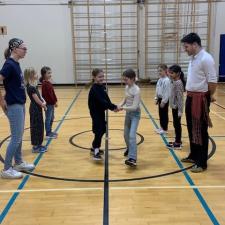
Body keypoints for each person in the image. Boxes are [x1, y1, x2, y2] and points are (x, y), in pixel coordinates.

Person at [180, 32, 217, 173]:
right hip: (190, 97)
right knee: (191, 128)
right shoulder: (194, 58)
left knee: (200, 130)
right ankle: (194, 155)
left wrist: (208, 97)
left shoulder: (206, 59)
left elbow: (212, 82)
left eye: (186, 46)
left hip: (200, 100)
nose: (185, 49)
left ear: (195, 44)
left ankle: (202, 162)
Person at [0, 38, 35, 179]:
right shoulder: (9, 64)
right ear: (14, 49)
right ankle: (6, 169)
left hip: (19, 103)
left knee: (19, 136)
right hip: (13, 105)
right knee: (15, 138)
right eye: (23, 48)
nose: (25, 50)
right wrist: (1, 100)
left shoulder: (16, 64)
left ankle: (19, 162)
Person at [88, 68, 117, 161]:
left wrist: (114, 106)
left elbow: (106, 99)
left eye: (103, 76)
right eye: (99, 77)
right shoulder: (94, 89)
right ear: (94, 77)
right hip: (95, 113)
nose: (102, 78)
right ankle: (96, 151)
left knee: (102, 129)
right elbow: (102, 101)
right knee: (99, 131)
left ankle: (94, 147)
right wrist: (113, 107)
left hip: (101, 112)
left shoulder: (102, 87)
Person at [118, 68, 141, 167]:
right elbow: (126, 98)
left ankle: (132, 158)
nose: (124, 82)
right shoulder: (127, 87)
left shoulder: (137, 90)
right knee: (125, 135)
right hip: (128, 114)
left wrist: (122, 108)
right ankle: (129, 148)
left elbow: (135, 107)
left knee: (132, 135)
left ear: (132, 79)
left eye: (126, 79)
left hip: (135, 115)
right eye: (124, 79)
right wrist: (119, 104)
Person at [24, 68, 47, 153]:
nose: (37, 75)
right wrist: (43, 105)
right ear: (30, 76)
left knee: (40, 126)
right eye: (35, 73)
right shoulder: (30, 88)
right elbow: (36, 100)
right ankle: (35, 146)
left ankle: (39, 144)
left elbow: (40, 97)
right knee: (36, 127)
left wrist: (43, 101)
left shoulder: (34, 86)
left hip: (38, 108)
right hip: (34, 109)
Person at [167, 65, 185, 150]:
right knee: (175, 124)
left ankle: (178, 143)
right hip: (174, 107)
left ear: (178, 73)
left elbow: (180, 98)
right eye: (169, 72)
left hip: (177, 108)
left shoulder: (178, 83)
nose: (170, 74)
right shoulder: (173, 80)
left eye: (172, 73)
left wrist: (180, 111)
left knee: (177, 125)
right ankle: (177, 140)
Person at [39, 66, 58, 139]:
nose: (50, 74)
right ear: (44, 75)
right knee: (48, 118)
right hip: (49, 105)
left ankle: (50, 131)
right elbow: (48, 96)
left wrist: (55, 100)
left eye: (50, 73)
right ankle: (48, 133)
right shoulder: (45, 84)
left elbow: (52, 93)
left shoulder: (48, 83)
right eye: (48, 73)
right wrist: (54, 102)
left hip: (51, 104)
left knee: (52, 117)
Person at [155, 64, 170, 134]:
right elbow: (157, 89)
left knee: (164, 114)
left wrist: (163, 102)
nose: (159, 72)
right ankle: (161, 127)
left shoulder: (167, 80)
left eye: (161, 71)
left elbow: (167, 92)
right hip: (160, 99)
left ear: (166, 71)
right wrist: (156, 98)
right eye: (158, 71)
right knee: (160, 114)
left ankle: (165, 128)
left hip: (164, 100)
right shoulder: (160, 80)